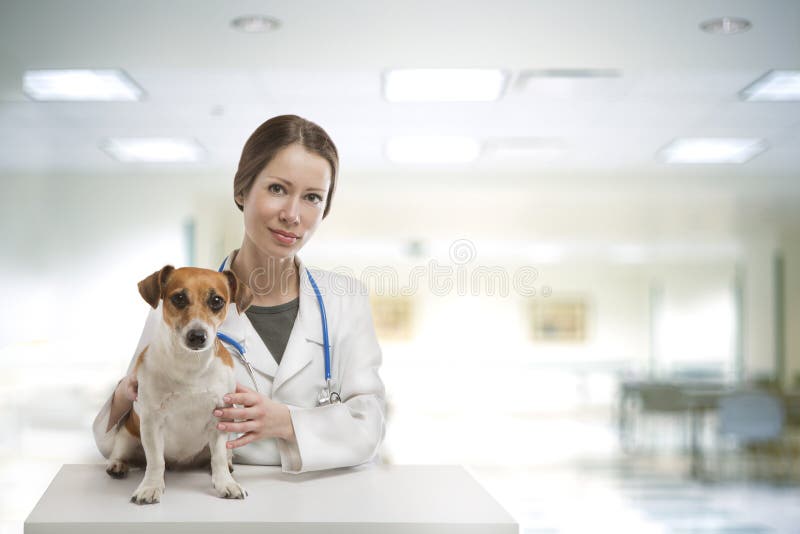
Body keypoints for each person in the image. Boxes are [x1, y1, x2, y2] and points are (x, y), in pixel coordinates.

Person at [93, 115, 387, 474]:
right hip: (218, 506)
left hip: (323, 504)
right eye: (277, 189)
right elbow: (124, 433)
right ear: (242, 190)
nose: (292, 214)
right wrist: (127, 395)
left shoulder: (346, 301)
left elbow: (369, 425)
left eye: (312, 197)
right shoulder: (174, 310)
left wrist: (284, 422)